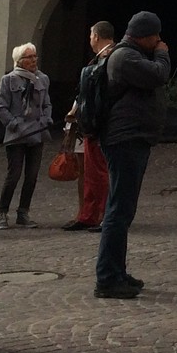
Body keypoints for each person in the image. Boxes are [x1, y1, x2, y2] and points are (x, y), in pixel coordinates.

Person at [95, 11, 170, 299]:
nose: (159, 41)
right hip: (125, 139)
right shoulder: (125, 57)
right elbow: (159, 75)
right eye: (156, 37)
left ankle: (116, 271)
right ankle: (107, 278)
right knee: (117, 210)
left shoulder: (130, 55)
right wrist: (162, 55)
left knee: (122, 210)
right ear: (144, 36)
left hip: (131, 139)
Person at [0, 41, 53, 229]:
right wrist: (15, 124)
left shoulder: (42, 79)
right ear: (20, 61)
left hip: (36, 134)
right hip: (17, 135)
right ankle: (2, 212)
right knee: (14, 174)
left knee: (32, 175)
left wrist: (45, 120)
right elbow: (1, 107)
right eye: (29, 57)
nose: (34, 60)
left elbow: (47, 104)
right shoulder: (9, 80)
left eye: (35, 56)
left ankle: (23, 212)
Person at [64, 21, 115, 232]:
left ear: (96, 36)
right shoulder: (102, 58)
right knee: (92, 172)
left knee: (100, 172)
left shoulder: (110, 58)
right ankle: (89, 214)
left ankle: (100, 215)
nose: (90, 40)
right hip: (92, 123)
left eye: (91, 36)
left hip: (100, 124)